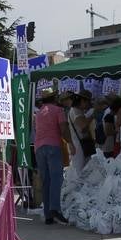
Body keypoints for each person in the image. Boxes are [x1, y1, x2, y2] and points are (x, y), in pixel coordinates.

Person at [35, 87, 73, 225]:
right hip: (53, 146)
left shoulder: (39, 113)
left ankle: (48, 215)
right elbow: (63, 129)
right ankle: (55, 209)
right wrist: (71, 144)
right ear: (54, 98)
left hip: (39, 148)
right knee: (57, 178)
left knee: (46, 181)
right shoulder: (58, 110)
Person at [68, 89, 95, 173]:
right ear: (83, 101)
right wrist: (93, 115)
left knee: (84, 170)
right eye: (88, 102)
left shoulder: (78, 111)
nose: (88, 105)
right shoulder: (76, 111)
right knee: (79, 171)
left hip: (81, 144)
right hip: (78, 146)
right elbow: (83, 126)